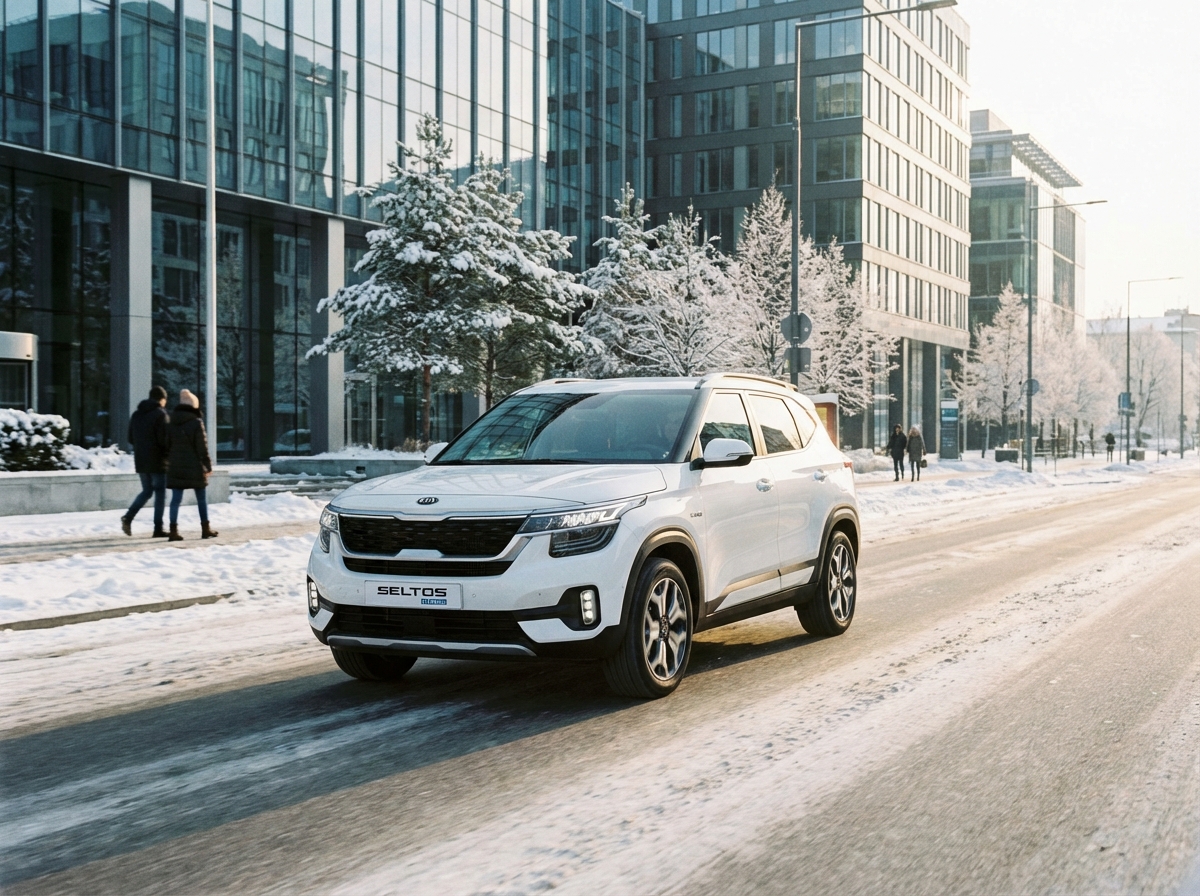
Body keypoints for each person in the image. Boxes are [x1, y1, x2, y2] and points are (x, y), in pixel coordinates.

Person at [166, 389, 218, 541]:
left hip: (175, 466)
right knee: (201, 498)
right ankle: (205, 529)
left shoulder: (171, 422)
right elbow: (202, 447)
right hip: (194, 466)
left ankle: (173, 531)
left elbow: (166, 445)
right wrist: (207, 465)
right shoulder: (196, 422)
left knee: (175, 499)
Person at [121, 386, 171, 537]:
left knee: (147, 491)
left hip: (141, 460)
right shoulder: (161, 414)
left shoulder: (136, 414)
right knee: (160, 494)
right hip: (158, 461)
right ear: (162, 399)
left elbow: (130, 438)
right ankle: (158, 528)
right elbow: (165, 440)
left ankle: (128, 517)